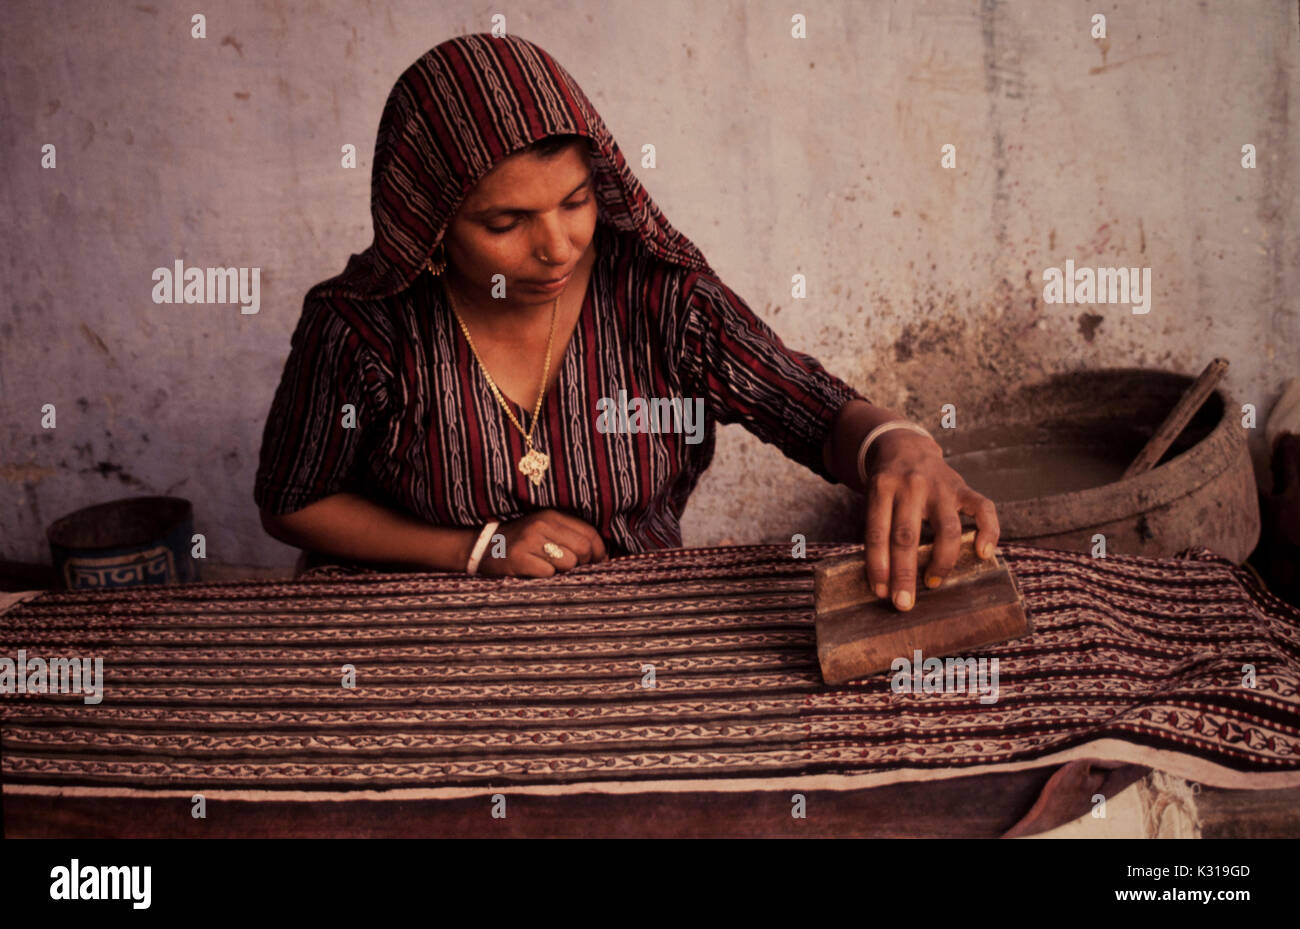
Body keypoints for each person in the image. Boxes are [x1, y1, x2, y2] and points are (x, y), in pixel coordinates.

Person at [254, 33, 1000, 612]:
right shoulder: (364, 330)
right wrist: (472, 549)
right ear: (429, 224)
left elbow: (807, 407)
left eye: (575, 202)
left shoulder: (658, 296)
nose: (557, 245)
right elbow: (295, 501)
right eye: (506, 221)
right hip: (420, 647)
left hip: (636, 636)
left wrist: (900, 448)